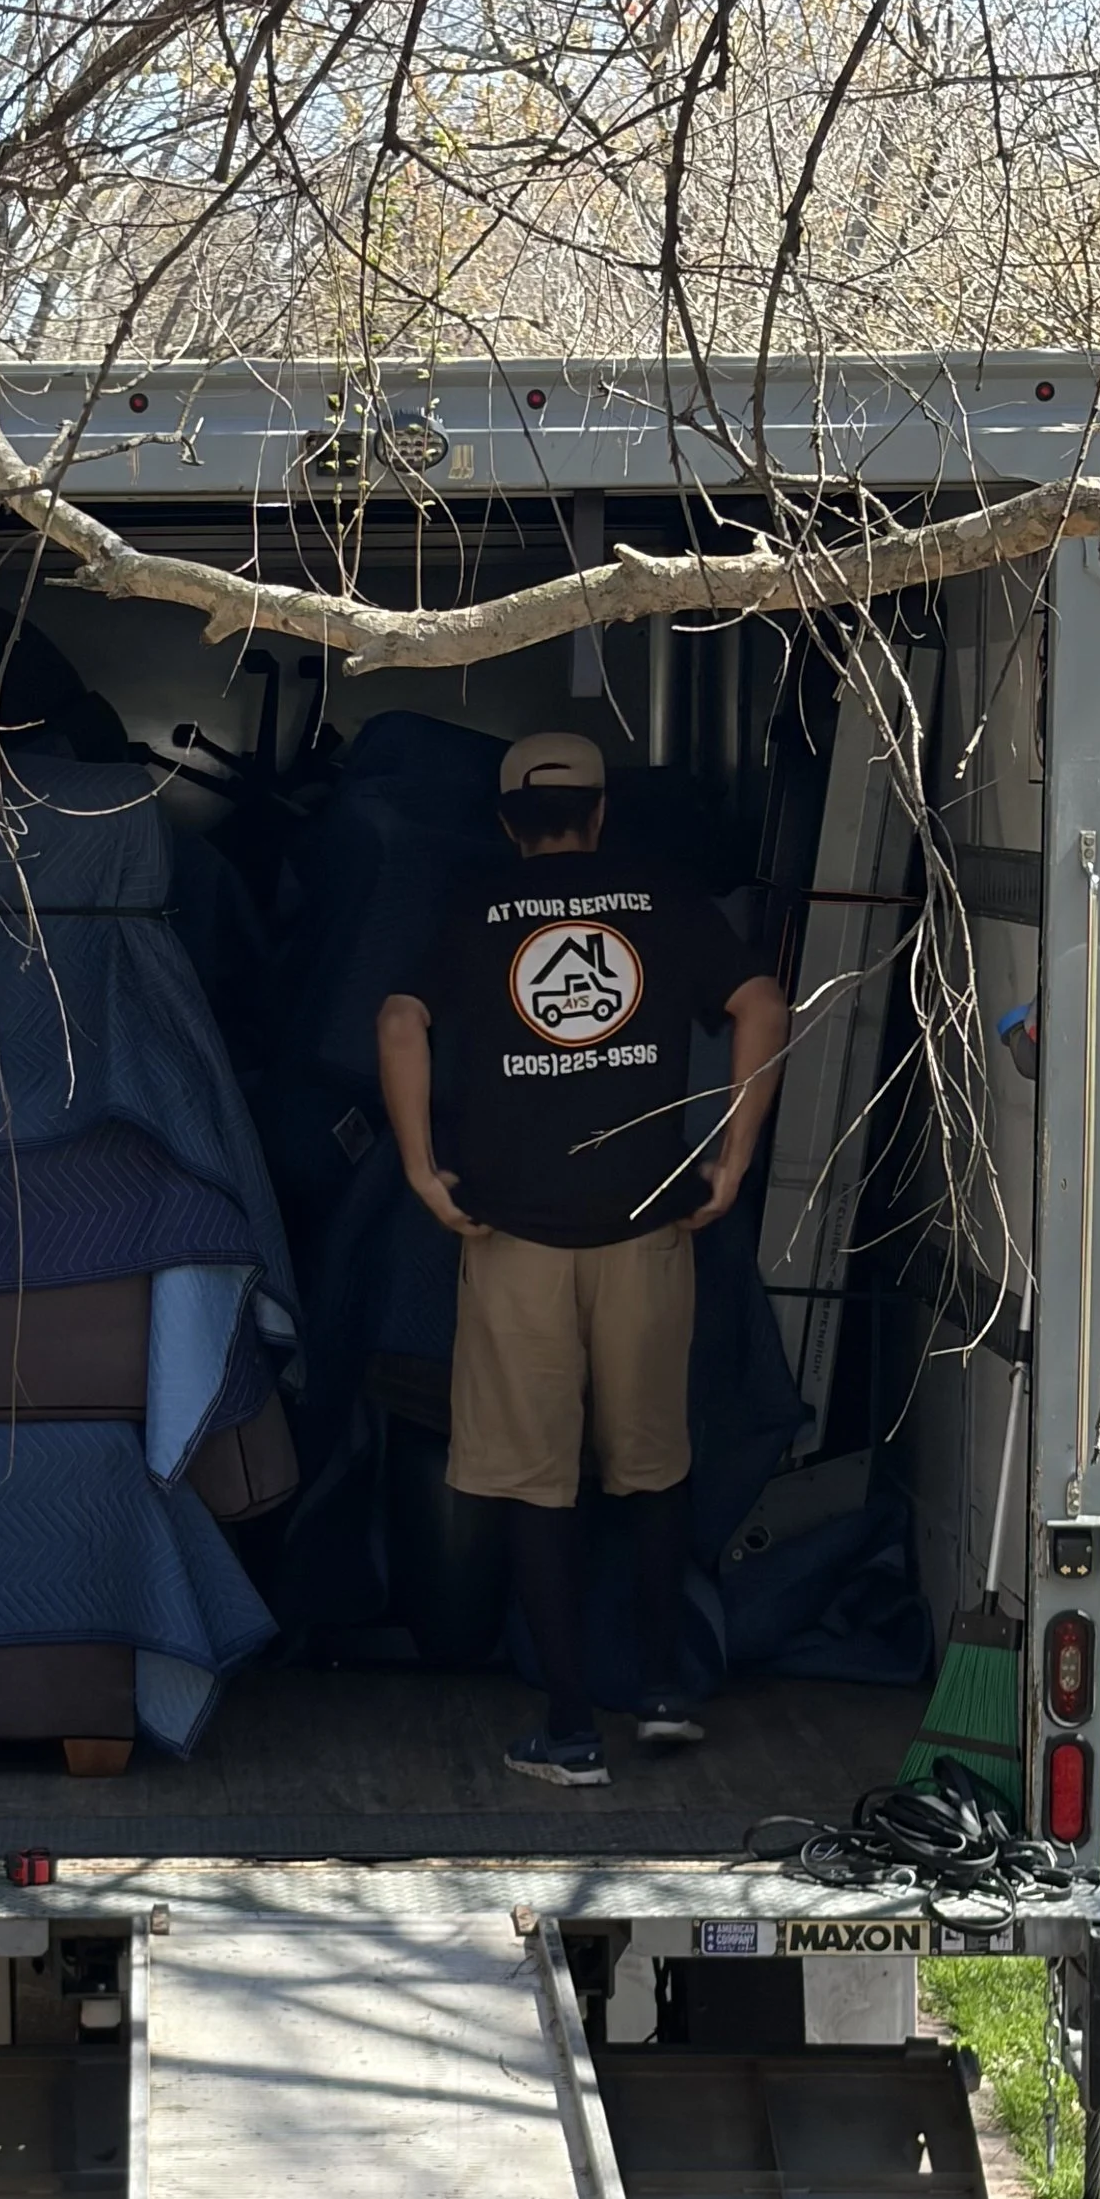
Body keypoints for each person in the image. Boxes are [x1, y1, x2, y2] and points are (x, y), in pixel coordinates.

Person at [376, 731, 789, 1784]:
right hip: (646, 1232)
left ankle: (567, 1732)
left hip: (516, 1238)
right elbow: (758, 1003)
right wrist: (731, 1160)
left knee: (533, 1485)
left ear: (508, 822)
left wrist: (424, 1170)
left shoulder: (473, 908)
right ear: (601, 813)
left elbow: (397, 1020)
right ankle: (657, 1687)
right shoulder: (661, 896)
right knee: (652, 1469)